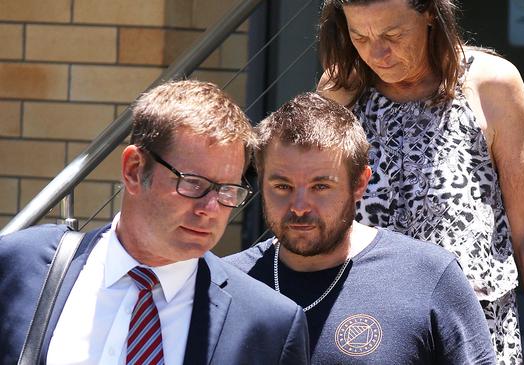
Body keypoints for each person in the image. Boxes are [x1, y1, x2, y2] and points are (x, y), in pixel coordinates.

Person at [316, 0, 524, 363]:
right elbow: (312, 201)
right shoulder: (343, 90)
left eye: (393, 34)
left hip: (471, 329)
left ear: (430, 14)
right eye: (360, 37)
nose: (377, 53)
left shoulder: (492, 84)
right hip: (367, 329)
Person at [0, 80, 309, 364]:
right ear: (134, 169)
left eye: (227, 190)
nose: (211, 208)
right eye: (193, 183)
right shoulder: (19, 265)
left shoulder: (266, 325)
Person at [225, 92, 495, 364]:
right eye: (282, 186)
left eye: (321, 187)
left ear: (360, 184)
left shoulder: (429, 276)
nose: (299, 206)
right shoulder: (224, 284)